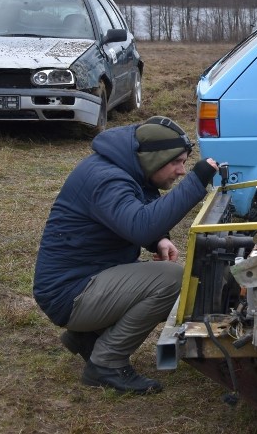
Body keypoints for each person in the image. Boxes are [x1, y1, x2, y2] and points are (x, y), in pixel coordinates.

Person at [33, 116, 218, 395]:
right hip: (69, 294)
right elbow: (140, 225)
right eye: (177, 162)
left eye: (186, 163)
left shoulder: (124, 169)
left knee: (167, 277)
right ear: (154, 159)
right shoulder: (106, 179)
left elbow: (134, 215)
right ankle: (106, 363)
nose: (181, 171)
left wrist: (159, 239)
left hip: (83, 279)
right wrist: (197, 180)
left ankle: (87, 336)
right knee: (172, 280)